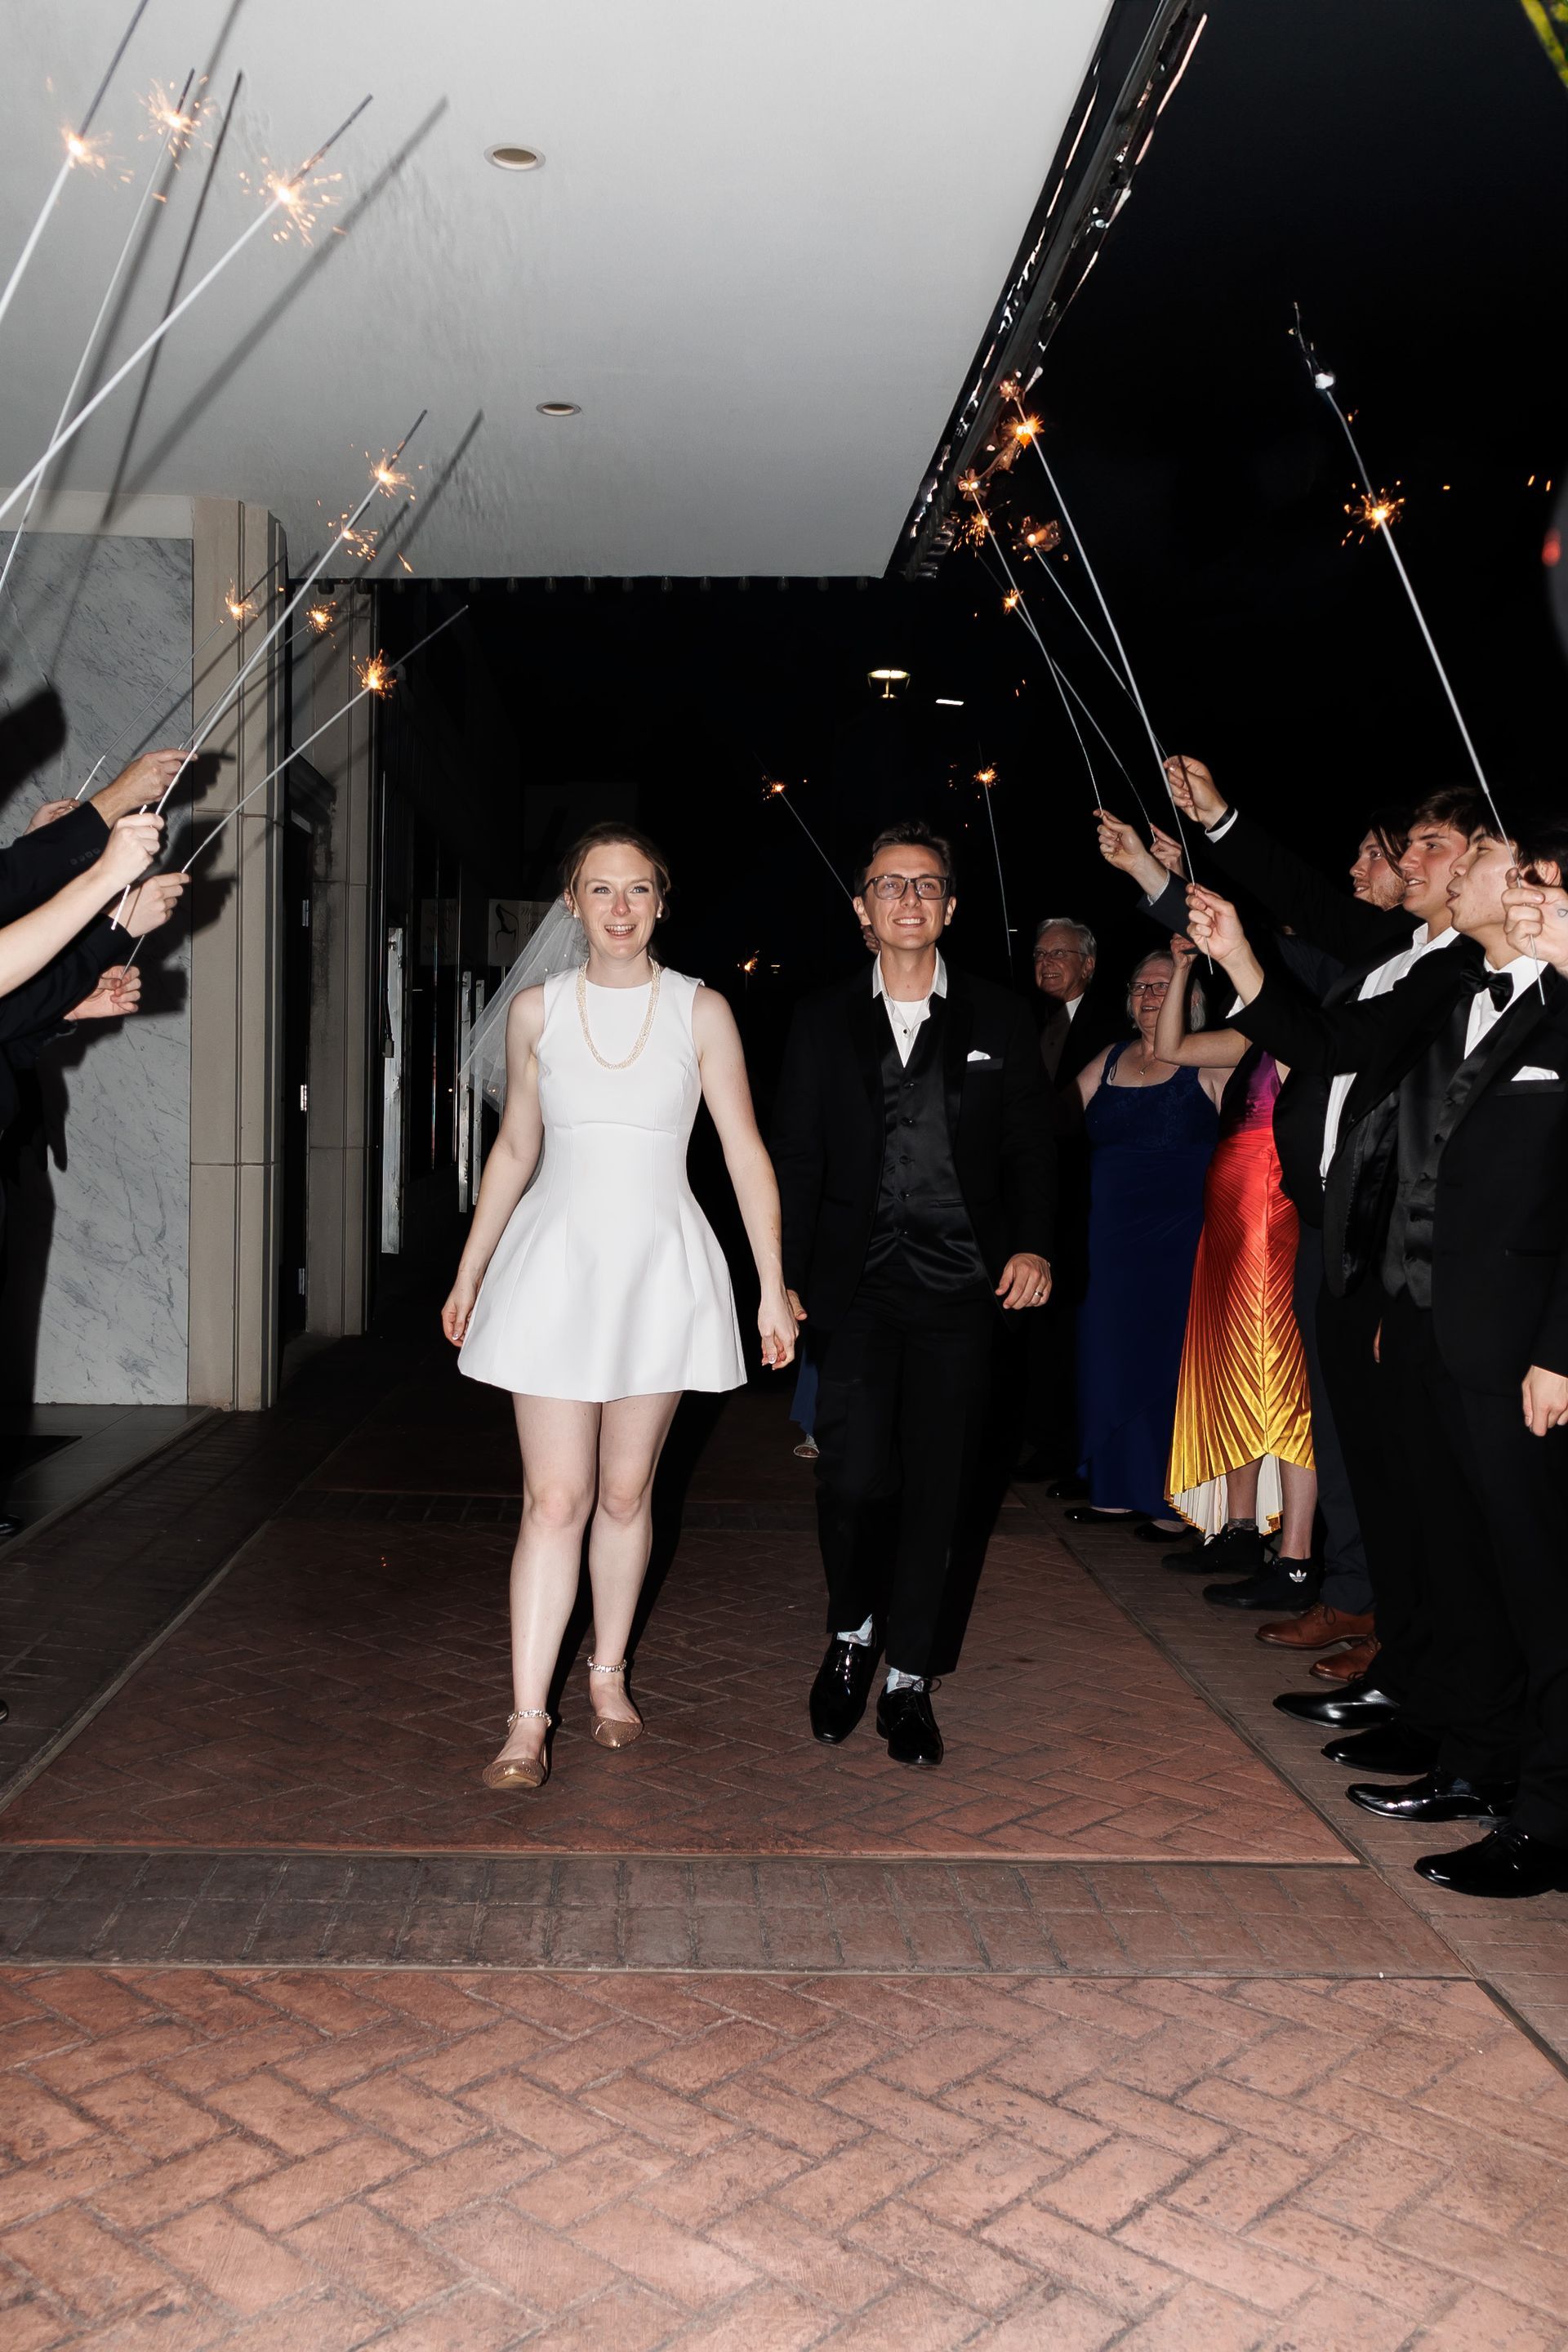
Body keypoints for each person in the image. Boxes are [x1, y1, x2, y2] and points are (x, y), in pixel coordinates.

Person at [1188, 813, 1568, 1898]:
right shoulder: (1451, 992)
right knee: (1463, 1559)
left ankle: (1545, 1814)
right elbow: (1340, 1053)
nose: (1518, 885)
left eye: (1533, 871)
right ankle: (1481, 1761)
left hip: (1525, 1354)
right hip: (1433, 1327)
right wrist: (1240, 960)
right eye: (1519, 869)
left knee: (1537, 1586)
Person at [442, 823, 797, 1793]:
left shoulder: (702, 1011)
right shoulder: (535, 1012)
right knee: (554, 1499)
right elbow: (514, 1150)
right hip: (555, 1265)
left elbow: (742, 1151)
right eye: (601, 891)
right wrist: (470, 1272)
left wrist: (770, 1281)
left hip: (659, 1265)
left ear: (660, 902)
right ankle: (525, 1717)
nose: (620, 908)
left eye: (638, 890)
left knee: (629, 1494)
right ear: (572, 904)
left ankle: (607, 1674)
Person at [1144, 764, 1484, 1734]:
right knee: (1359, 1445)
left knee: (1407, 1465)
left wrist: (1244, 965)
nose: (1401, 861)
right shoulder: (1395, 946)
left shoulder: (1454, 970)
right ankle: (1387, 1634)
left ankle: (1411, 1658)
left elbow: (1329, 1044)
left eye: (1430, 846)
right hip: (1340, 1229)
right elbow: (1295, 899)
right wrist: (1218, 819)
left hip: (1394, 1243)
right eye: (1404, 844)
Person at [772, 821, 1054, 1769]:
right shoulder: (819, 1020)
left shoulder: (1000, 1019)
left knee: (943, 1488)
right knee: (852, 1478)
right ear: (862, 911)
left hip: (961, 1289)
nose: (907, 899)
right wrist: (782, 1278)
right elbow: (798, 1160)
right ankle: (852, 1634)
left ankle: (909, 1680)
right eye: (888, 885)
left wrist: (1034, 1246)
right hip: (853, 1291)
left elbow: (1033, 1150)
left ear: (950, 907)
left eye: (925, 885)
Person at [1149, 935, 1316, 1605]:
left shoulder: (1314, 1039)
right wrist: (1185, 966)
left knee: (1278, 1372)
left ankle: (1296, 1558)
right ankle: (1241, 1526)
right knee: (1231, 1366)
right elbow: (1171, 1048)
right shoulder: (1252, 1039)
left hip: (1271, 1211)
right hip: (1227, 1216)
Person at [1067, 949, 1227, 1532]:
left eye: (1165, 986)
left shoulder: (1211, 1063)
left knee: (1169, 1362)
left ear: (1193, 1000)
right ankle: (1113, 1486)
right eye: (1141, 986)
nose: (1150, 996)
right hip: (1109, 1242)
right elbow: (1049, 1118)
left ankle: (1172, 1499)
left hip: (1180, 1240)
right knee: (1108, 1355)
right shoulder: (1106, 1060)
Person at [1015, 916, 1126, 1487]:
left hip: (1091, 1194)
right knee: (1030, 1324)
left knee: (1075, 1323)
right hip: (1025, 1195)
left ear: (1088, 964)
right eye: (1039, 953)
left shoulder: (1117, 1025)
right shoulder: (1016, 1018)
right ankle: (1037, 1436)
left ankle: (1074, 1446)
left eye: (1060, 953)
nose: (1047, 962)